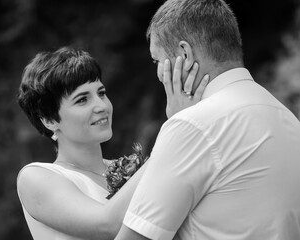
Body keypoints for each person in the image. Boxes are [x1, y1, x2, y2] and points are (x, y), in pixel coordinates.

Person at [115, 0, 300, 240]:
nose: (159, 74)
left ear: (185, 54)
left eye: (157, 61)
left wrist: (179, 121)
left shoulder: (192, 126)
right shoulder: (288, 119)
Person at [16, 46, 208, 239]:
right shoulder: (35, 178)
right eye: (82, 100)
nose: (101, 106)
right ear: (49, 120)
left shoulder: (128, 167)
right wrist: (175, 131)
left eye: (101, 93)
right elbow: (106, 225)